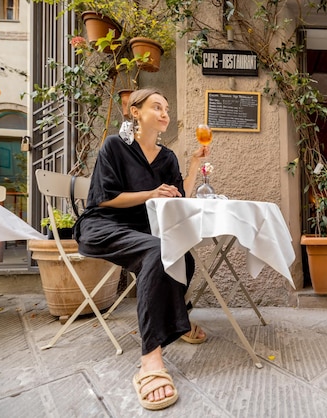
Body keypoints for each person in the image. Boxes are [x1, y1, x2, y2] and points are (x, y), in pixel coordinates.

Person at [74, 88, 209, 410]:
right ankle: (151, 359)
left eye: (166, 109)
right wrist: (150, 194)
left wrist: (191, 165)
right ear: (135, 112)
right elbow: (103, 198)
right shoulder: (115, 146)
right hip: (104, 225)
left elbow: (179, 196)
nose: (164, 113)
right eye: (156, 107)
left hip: (145, 230)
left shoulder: (167, 157)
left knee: (182, 257)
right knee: (158, 252)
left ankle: (177, 317)